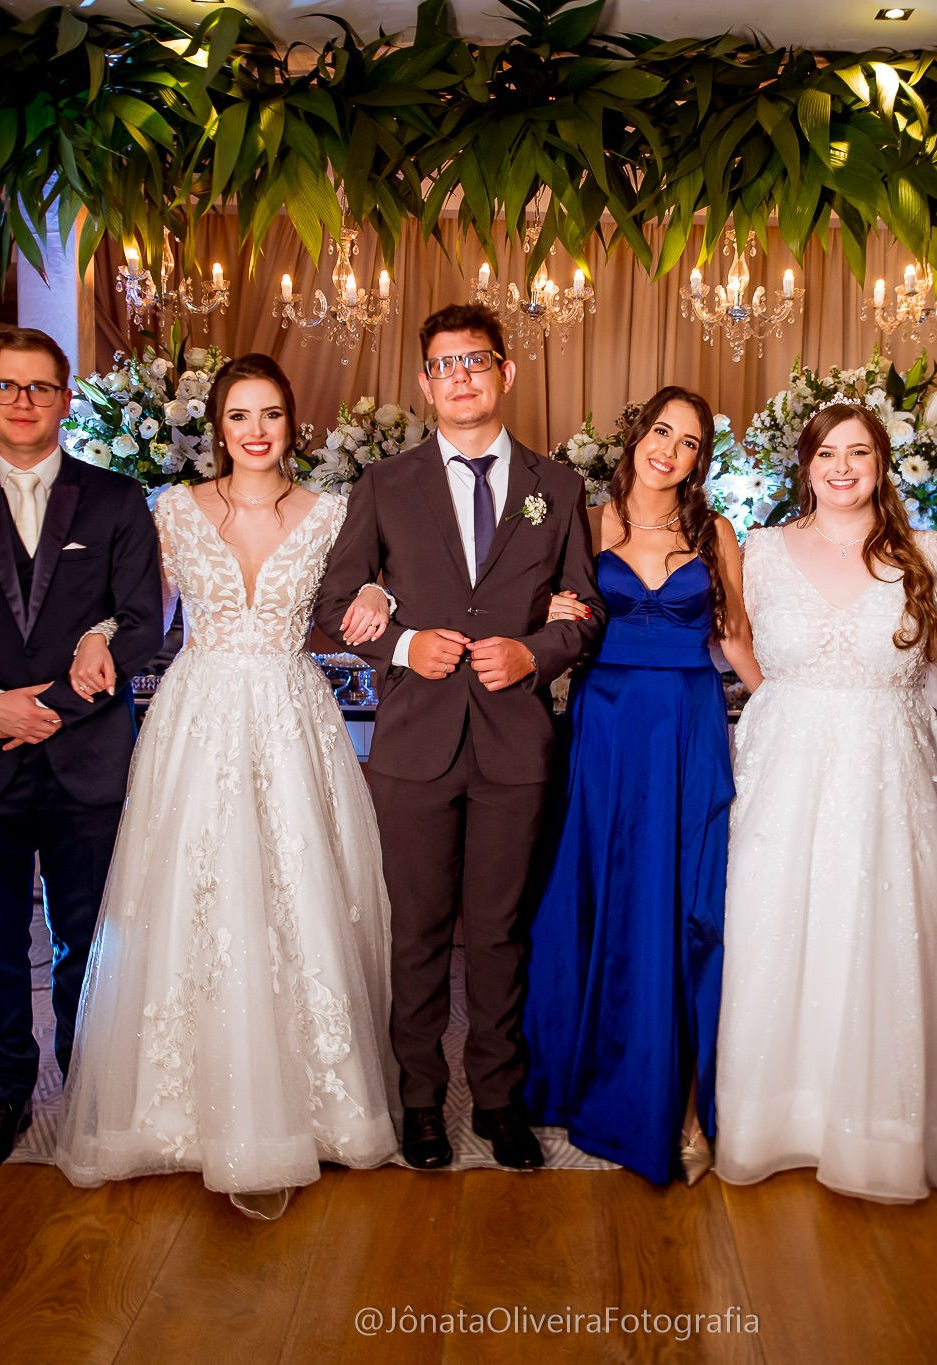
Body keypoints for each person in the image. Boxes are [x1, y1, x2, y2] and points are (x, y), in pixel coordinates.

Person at [51, 354, 399, 1221]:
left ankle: (315, 1103)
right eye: (239, 416)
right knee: (191, 894)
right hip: (198, 712)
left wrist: (379, 595)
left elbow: (362, 590)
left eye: (271, 414)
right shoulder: (172, 509)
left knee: (295, 892)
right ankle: (177, 1110)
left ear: (292, 422)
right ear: (218, 427)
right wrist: (96, 634)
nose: (255, 431)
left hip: (289, 708)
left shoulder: (331, 512)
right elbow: (139, 608)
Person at [314, 304, 605, 1171]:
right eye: (444, 365)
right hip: (413, 746)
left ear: (506, 373)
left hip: (517, 745)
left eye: (477, 360)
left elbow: (585, 610)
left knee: (500, 931)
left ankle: (500, 1098)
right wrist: (403, 642)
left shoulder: (558, 487)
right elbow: (331, 609)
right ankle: (418, 1098)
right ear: (425, 383)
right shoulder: (385, 486)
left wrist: (535, 650)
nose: (462, 377)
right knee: (419, 930)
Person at [713, 402, 937, 1203]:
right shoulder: (763, 547)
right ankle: (777, 1118)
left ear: (883, 465)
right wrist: (783, 704)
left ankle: (878, 1123)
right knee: (780, 920)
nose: (842, 468)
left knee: (882, 926)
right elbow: (734, 635)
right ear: (804, 466)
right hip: (787, 755)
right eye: (827, 454)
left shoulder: (929, 553)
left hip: (891, 760)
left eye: (860, 453)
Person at [0, 326, 163, 1178]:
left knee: (90, 939)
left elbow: (141, 621)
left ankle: (86, 1088)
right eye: (7, 387)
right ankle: (7, 1088)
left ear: (65, 397)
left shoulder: (119, 500)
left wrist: (51, 703)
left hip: (87, 758)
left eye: (40, 387)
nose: (23, 401)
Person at [524, 386, 757, 1186]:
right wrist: (552, 609)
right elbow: (545, 620)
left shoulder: (714, 531)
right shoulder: (583, 524)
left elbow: (734, 639)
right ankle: (586, 1072)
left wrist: (787, 713)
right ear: (638, 433)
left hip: (687, 725)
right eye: (664, 431)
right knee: (601, 888)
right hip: (608, 726)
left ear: (700, 461)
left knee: (685, 902)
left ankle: (682, 1099)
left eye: (690, 443)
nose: (672, 450)